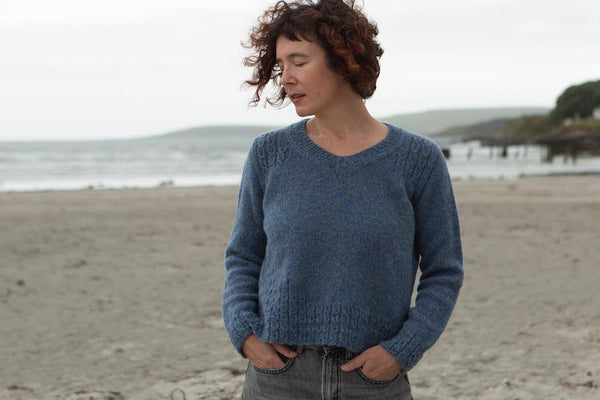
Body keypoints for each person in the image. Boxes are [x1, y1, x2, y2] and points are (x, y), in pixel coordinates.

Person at [221, 0, 464, 398]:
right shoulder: (269, 154)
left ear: (343, 58)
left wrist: (403, 349)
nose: (286, 79)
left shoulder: (417, 160)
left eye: (299, 61)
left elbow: (444, 271)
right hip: (277, 377)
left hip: (374, 379)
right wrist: (245, 332)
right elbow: (243, 257)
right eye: (281, 65)